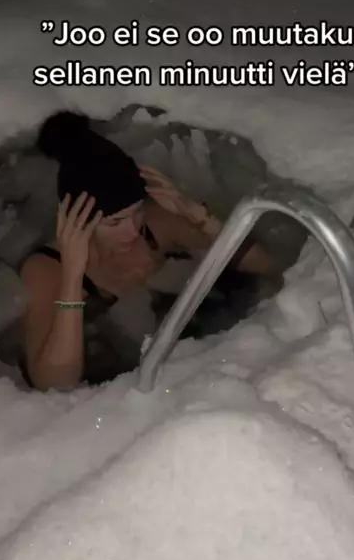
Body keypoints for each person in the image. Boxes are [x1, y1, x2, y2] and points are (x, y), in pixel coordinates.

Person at [19, 110, 276, 392]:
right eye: (115, 222)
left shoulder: (156, 224)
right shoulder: (46, 269)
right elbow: (55, 384)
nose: (132, 231)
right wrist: (72, 277)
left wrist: (198, 216)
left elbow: (266, 265)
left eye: (136, 211)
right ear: (77, 222)